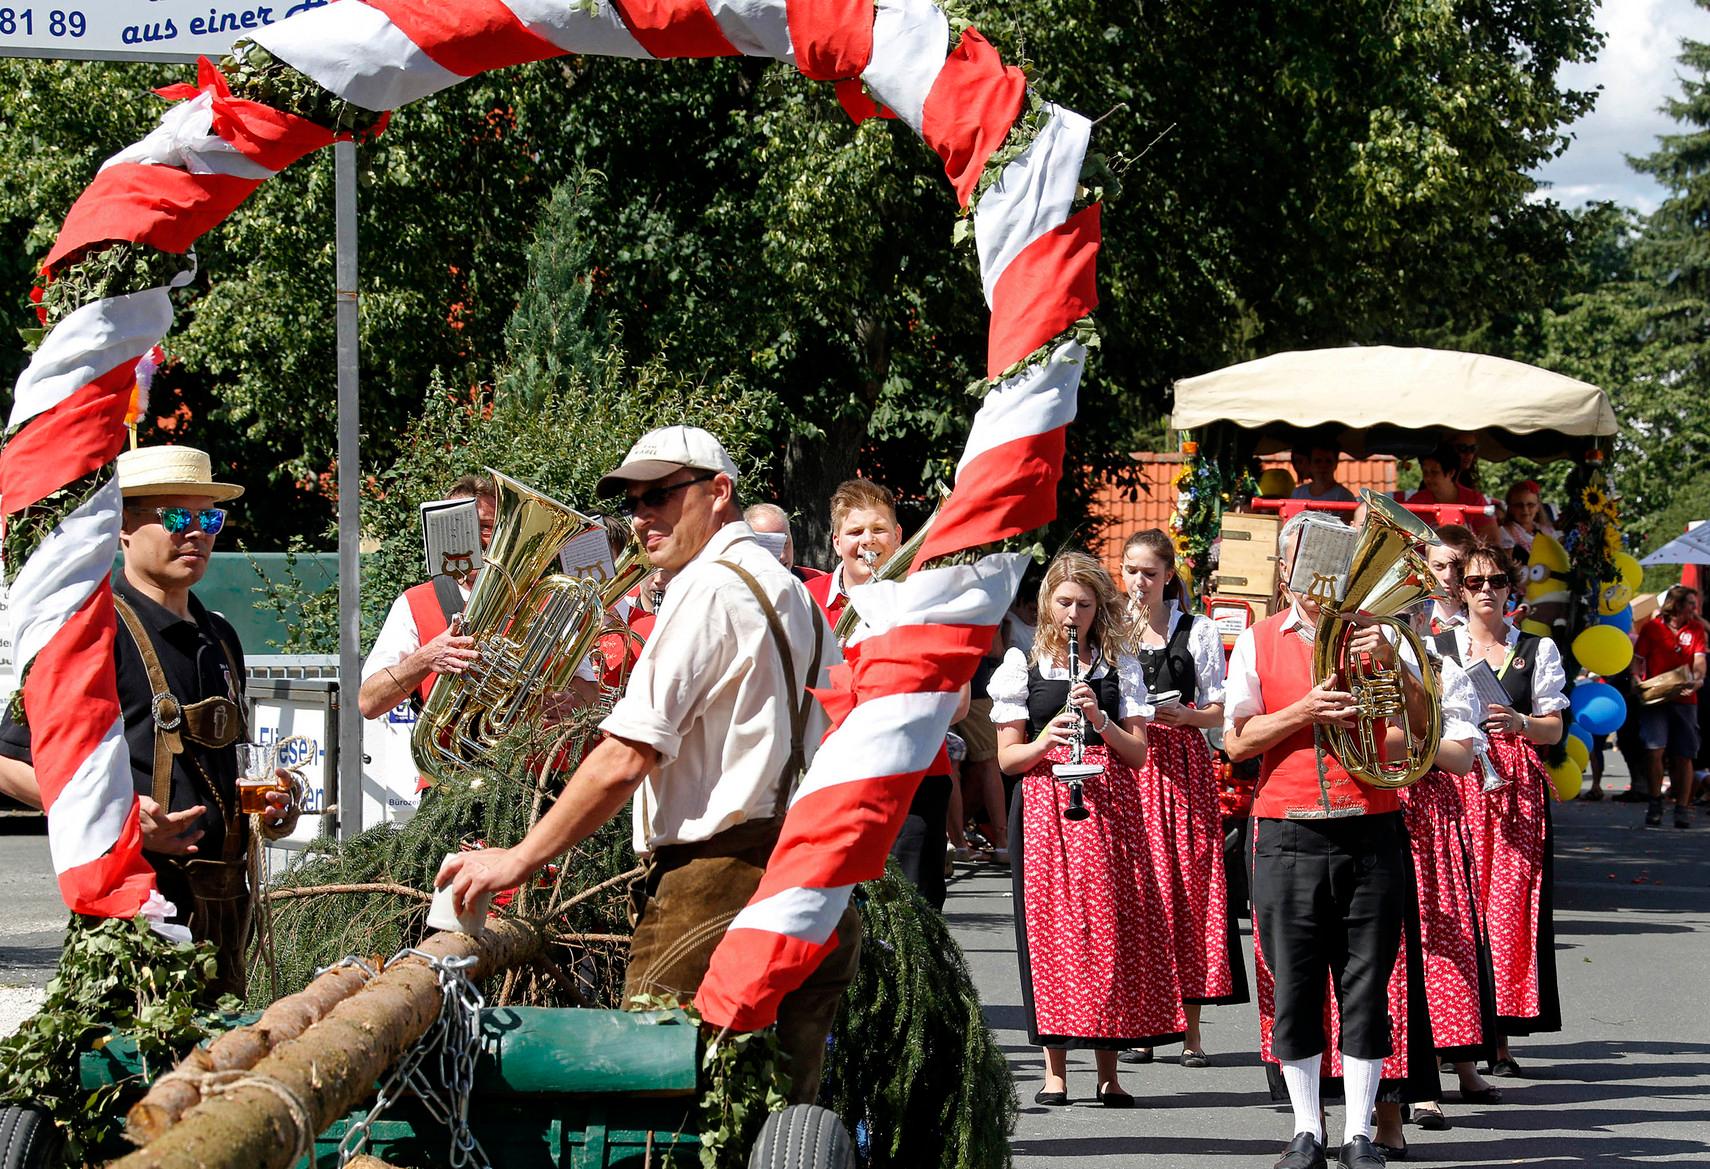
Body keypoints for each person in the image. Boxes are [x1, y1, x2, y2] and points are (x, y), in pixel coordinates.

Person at [437, 425, 851, 1102]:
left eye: (659, 494)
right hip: (809, 876)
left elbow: (626, 757)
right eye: (631, 500)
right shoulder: (792, 588)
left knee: (654, 1109)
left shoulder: (708, 587)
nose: (640, 516)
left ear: (720, 493)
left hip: (717, 883)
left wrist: (517, 858)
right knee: (776, 1114)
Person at [1225, 510, 1474, 1169]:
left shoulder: (1380, 634)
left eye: (1329, 561)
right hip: (1286, 831)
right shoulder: (1256, 641)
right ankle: (1308, 1128)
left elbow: (1420, 737)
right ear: (1285, 570)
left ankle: (1359, 1131)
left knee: (1367, 985)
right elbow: (1237, 741)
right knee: (1297, 984)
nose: (1318, 577)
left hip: (1370, 828)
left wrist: (1400, 668)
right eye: (1305, 563)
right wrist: (1303, 711)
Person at [0, 446, 295, 997]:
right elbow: (7, 762)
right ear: (123, 528)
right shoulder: (87, 637)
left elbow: (228, 766)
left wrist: (274, 805)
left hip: (227, 909)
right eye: (177, 518)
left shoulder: (221, 636)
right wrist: (117, 817)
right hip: (137, 910)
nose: (197, 534)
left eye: (209, 519)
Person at [990, 551, 1176, 1108]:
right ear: (1048, 602)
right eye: (1064, 602)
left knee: (1109, 933)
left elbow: (1139, 754)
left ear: (1100, 608)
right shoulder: (1021, 663)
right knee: (1052, 932)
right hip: (1047, 806)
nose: (1073, 614)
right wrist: (1048, 739)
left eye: (1084, 605)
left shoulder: (1119, 666)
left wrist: (1099, 720)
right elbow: (1007, 760)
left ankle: (1109, 1071)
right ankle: (1055, 1070)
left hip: (1107, 803)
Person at [1433, 542, 1568, 1077]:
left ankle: (1501, 1037)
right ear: (1459, 590)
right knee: (1456, 908)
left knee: (1508, 910)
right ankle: (1452, 1032)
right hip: (1456, 781)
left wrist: (1520, 725)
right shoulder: (1437, 645)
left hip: (1513, 789)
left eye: (1495, 582)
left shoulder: (1537, 649)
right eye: (1473, 582)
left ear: (1511, 589)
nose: (1485, 591)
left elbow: (1554, 728)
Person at [1117, 529, 1245, 1070]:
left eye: (1149, 572)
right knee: (1140, 894)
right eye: (1131, 571)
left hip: (1182, 766)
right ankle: (1146, 1026)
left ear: (1169, 575)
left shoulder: (1199, 630)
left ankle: (1191, 1032)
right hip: (1131, 766)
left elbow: (1223, 709)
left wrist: (1187, 716)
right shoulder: (1111, 631)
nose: (1139, 582)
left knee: (1190, 895)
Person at [1635, 584, 1708, 828]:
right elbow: (1638, 659)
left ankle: (1681, 808)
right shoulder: (1653, 628)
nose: (1694, 609)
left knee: (1684, 756)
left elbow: (1699, 661)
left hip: (1686, 700)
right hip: (1656, 698)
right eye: (1690, 603)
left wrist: (1697, 680)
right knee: (1654, 751)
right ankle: (1655, 802)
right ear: (1676, 605)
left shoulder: (1696, 629)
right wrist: (1637, 680)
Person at [805, 478, 903, 628]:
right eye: (855, 532)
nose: (868, 540)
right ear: (837, 543)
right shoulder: (806, 597)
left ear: (896, 536)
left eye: (878, 529)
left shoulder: (915, 595)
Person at [743, 502, 828, 585]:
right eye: (772, 545)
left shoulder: (816, 580)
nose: (782, 556)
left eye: (786, 543)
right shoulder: (735, 588)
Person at [1423, 524, 1476, 635]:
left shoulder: (1491, 623)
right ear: (1425, 568)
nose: (1447, 576)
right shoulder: (1412, 619)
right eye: (1439, 566)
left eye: (1457, 566)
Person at [1495, 480, 1556, 563]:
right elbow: (1507, 567)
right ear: (1510, 508)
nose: (1525, 510)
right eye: (1519, 505)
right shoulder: (1504, 533)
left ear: (1538, 507)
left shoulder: (1546, 530)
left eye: (1530, 505)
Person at [1289, 440, 1357, 504]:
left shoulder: (1345, 496)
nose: (1323, 465)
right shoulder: (1297, 494)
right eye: (1318, 461)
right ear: (1310, 464)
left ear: (1336, 464)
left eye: (1328, 461)